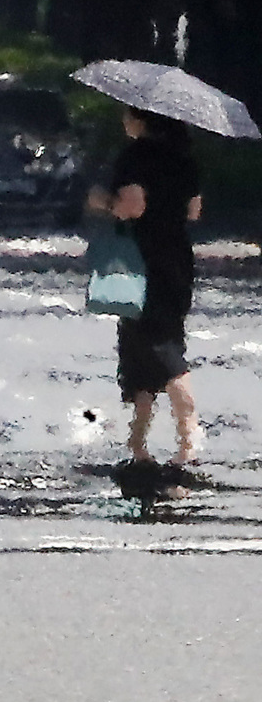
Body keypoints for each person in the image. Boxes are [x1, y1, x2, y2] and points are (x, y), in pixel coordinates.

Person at [87, 107, 202, 468]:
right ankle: (138, 445)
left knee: (158, 347)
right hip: (178, 259)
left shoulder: (135, 156)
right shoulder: (185, 158)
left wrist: (102, 201)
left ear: (143, 119)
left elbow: (132, 207)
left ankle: (189, 439)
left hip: (142, 261)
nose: (123, 120)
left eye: (127, 115)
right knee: (144, 347)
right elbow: (193, 211)